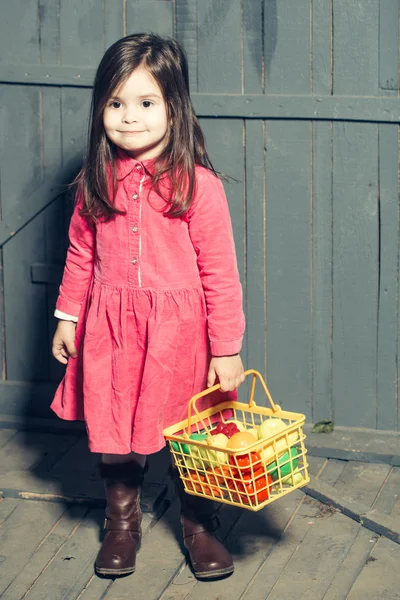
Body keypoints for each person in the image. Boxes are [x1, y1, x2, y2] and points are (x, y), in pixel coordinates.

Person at [51, 32, 245, 580]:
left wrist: (226, 348)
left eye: (145, 103)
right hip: (111, 332)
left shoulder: (199, 187)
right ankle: (121, 522)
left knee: (192, 435)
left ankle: (199, 523)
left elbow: (220, 274)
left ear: (173, 107)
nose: (129, 117)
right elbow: (81, 254)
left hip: (181, 336)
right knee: (115, 429)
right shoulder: (96, 179)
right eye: (115, 103)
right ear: (100, 110)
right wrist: (68, 316)